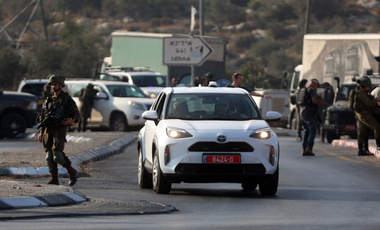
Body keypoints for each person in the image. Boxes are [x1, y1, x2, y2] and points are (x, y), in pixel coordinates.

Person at [38, 74, 80, 186]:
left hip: (59, 130)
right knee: (49, 156)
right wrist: (41, 133)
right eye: (52, 84)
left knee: (57, 156)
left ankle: (71, 171)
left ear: (60, 85)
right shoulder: (48, 99)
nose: (53, 86)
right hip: (48, 130)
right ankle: (54, 178)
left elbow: (77, 114)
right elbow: (44, 117)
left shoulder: (67, 99)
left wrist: (70, 121)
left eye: (55, 84)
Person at [299, 78, 326, 156]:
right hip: (309, 114)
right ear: (314, 83)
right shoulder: (312, 90)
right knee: (312, 131)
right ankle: (309, 149)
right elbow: (314, 100)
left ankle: (304, 149)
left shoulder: (303, 89)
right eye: (317, 85)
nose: (316, 87)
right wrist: (322, 103)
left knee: (305, 131)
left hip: (302, 114)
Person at [354, 77, 380, 156]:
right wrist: (376, 99)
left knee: (363, 132)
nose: (368, 88)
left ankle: (361, 149)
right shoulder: (361, 93)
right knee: (377, 127)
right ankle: (378, 144)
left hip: (363, 114)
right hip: (364, 114)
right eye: (367, 86)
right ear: (364, 86)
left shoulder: (361, 93)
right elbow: (369, 103)